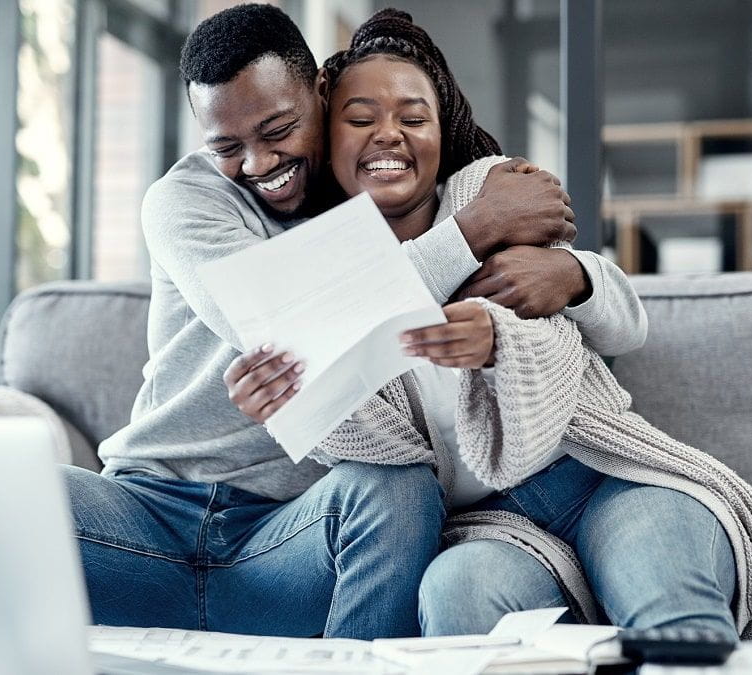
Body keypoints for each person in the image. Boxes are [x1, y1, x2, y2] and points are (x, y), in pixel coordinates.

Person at [61, 4, 646, 640]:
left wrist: (575, 274)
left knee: (395, 489)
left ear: (319, 93)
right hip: (146, 514)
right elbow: (288, 324)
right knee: (6, 491)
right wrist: (475, 230)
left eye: (278, 130)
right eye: (227, 146)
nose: (259, 165)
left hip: (289, 539)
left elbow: (599, 313)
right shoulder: (186, 201)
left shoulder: (387, 196)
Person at [226, 8, 752, 643]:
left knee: (669, 611)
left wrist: (559, 286)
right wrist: (292, 398)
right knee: (458, 594)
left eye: (413, 119)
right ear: (324, 136)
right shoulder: (317, 274)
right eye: (361, 119)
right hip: (492, 527)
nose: (389, 134)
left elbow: (597, 328)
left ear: (441, 134)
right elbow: (373, 450)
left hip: (603, 473)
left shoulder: (491, 196)